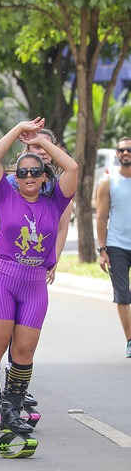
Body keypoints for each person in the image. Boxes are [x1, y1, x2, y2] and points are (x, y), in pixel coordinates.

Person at [0, 118, 77, 440]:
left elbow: (73, 168)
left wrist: (41, 141)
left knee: (24, 353)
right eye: (22, 172)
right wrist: (18, 132)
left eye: (34, 172)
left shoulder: (56, 201)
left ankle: (12, 411)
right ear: (15, 176)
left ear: (43, 176)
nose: (27, 177)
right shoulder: (7, 195)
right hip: (1, 279)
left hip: (35, 284)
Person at [96, 136, 131, 358]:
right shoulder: (108, 182)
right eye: (122, 150)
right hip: (117, 246)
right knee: (123, 296)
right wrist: (102, 250)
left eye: (129, 149)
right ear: (117, 154)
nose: (126, 153)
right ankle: (130, 340)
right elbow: (101, 218)